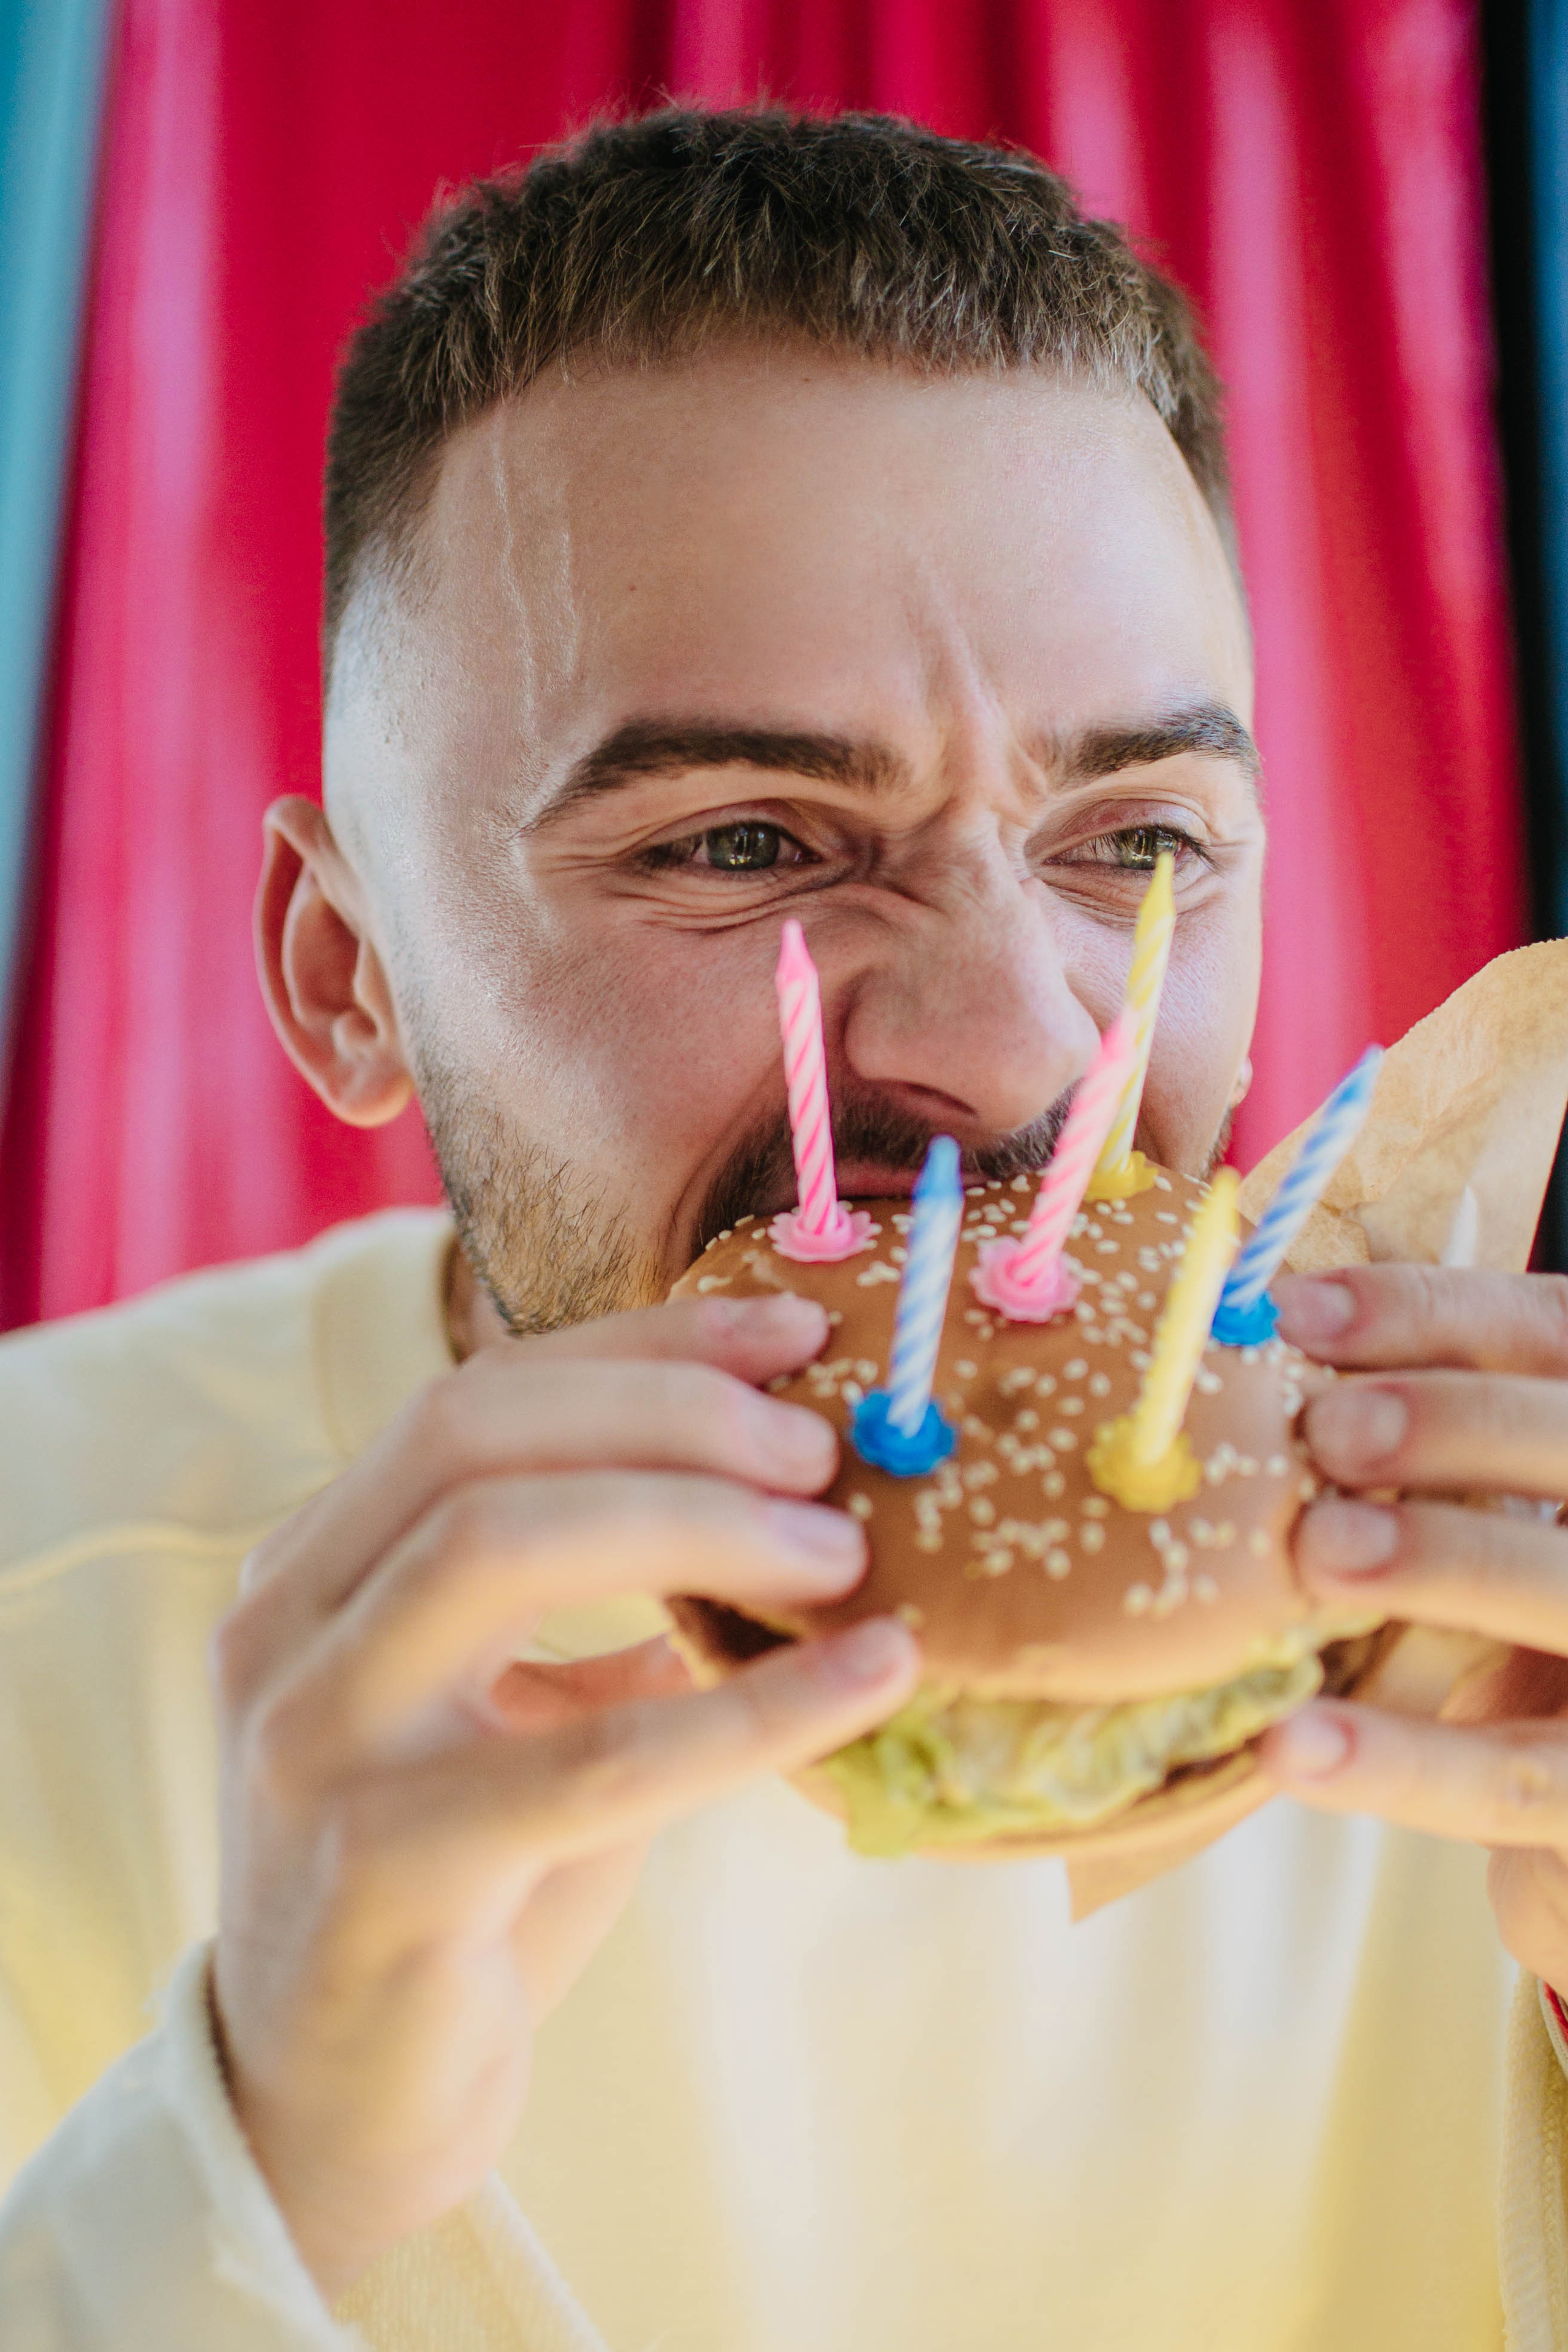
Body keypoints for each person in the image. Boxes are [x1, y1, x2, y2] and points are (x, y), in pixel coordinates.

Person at [2, 104, 1567, 2352]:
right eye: (743, 845)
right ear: (348, 972)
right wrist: (246, 2179)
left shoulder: (1506, 1623)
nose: (1021, 1053)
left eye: (1138, 842)